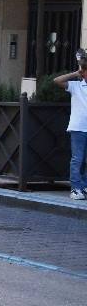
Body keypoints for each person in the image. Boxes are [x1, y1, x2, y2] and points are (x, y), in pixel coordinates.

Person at [53, 49, 87, 200]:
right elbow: (57, 81)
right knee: (77, 159)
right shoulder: (76, 86)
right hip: (78, 128)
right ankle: (75, 189)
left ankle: (84, 186)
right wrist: (76, 73)